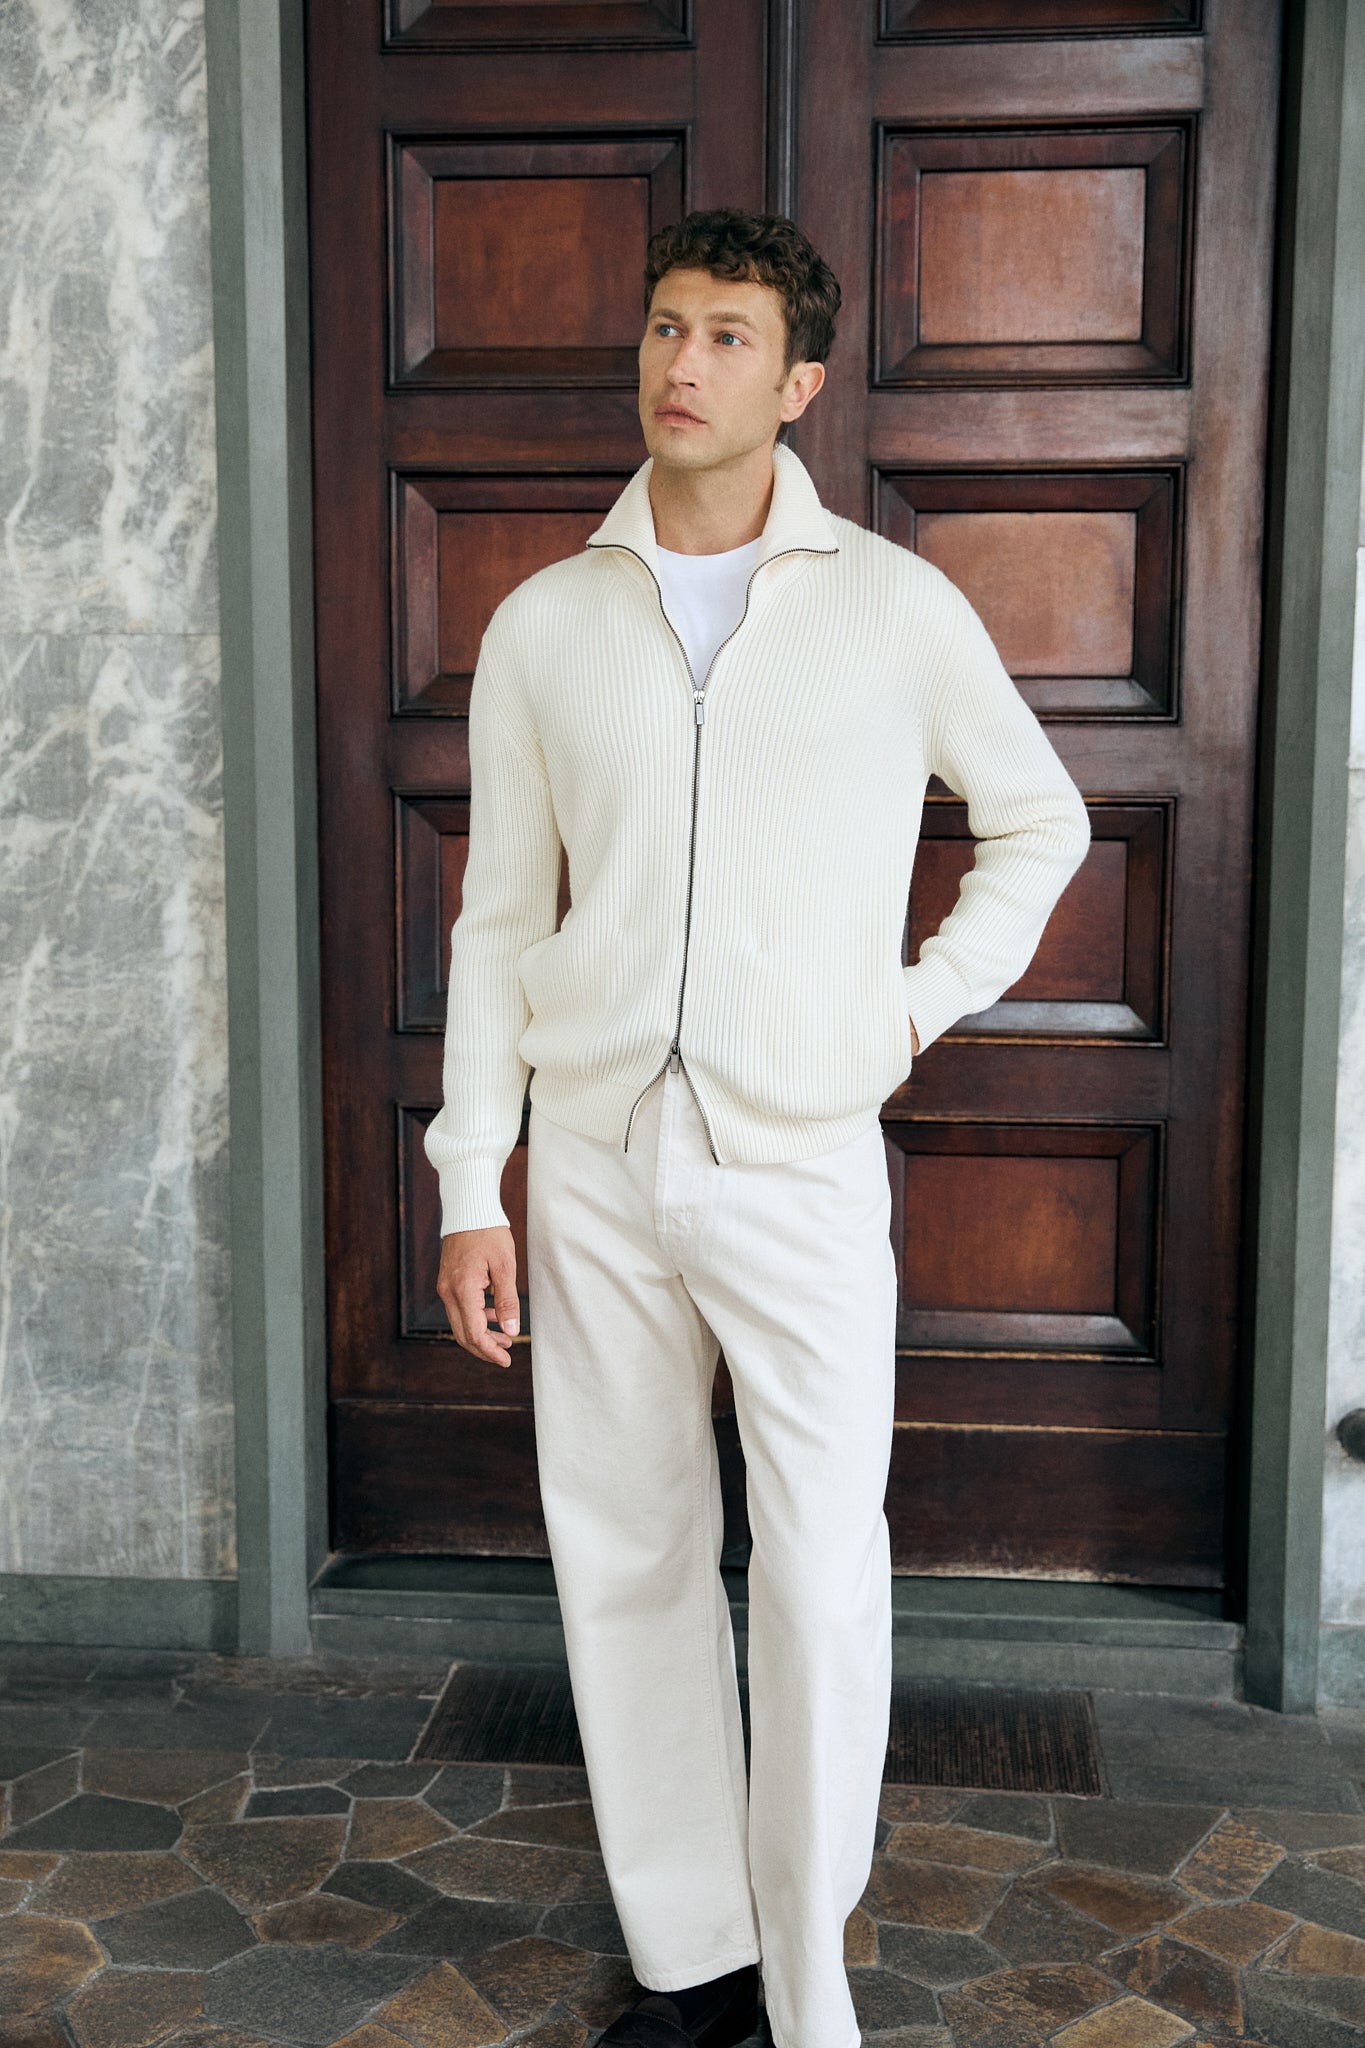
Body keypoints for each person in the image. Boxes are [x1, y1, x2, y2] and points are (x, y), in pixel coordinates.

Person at [425, 209, 1091, 2048]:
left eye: (725, 337)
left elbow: (1039, 824)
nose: (681, 364)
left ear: (796, 382)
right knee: (625, 1546)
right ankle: (690, 1959)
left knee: (811, 1561)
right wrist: (470, 1179)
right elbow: (497, 923)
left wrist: (902, 1006)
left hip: (794, 1152)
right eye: (662, 328)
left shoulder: (890, 605)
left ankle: (808, 1984)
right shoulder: (546, 620)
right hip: (592, 1155)